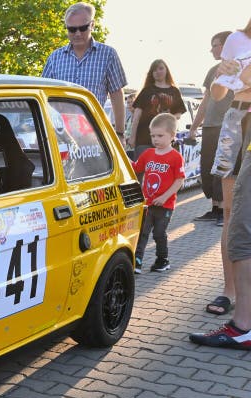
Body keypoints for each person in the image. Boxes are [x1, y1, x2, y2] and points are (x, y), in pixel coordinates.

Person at [190, 21, 251, 348]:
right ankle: (231, 292)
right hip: (234, 124)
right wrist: (223, 74)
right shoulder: (238, 41)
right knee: (231, 213)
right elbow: (218, 93)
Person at [41, 2, 127, 144]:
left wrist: (119, 133)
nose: (78, 33)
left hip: (94, 133)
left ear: (92, 25)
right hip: (61, 134)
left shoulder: (108, 54)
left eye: (83, 28)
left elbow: (117, 94)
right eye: (72, 29)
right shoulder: (55, 57)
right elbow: (44, 95)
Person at [131, 113, 185, 274]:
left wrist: (164, 197)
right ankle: (137, 262)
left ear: (172, 136)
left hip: (165, 205)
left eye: (160, 135)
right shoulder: (148, 154)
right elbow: (136, 168)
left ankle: (162, 260)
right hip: (147, 203)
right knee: (142, 233)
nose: (156, 139)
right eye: (153, 135)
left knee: (159, 234)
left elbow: (179, 180)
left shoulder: (176, 157)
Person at [189, 31, 233, 226]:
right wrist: (194, 128)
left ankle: (225, 210)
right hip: (209, 127)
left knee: (223, 169)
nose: (211, 49)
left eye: (214, 45)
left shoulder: (239, 68)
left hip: (229, 127)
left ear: (225, 45)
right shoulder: (212, 71)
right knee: (207, 168)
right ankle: (215, 208)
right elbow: (205, 101)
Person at [128, 60, 186, 159]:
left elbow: (178, 114)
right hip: (144, 139)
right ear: (151, 73)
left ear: (166, 70)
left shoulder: (174, 91)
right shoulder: (146, 91)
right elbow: (136, 116)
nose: (158, 72)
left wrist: (165, 118)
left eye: (161, 68)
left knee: (161, 171)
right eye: (154, 70)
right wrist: (132, 137)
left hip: (165, 140)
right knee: (143, 171)